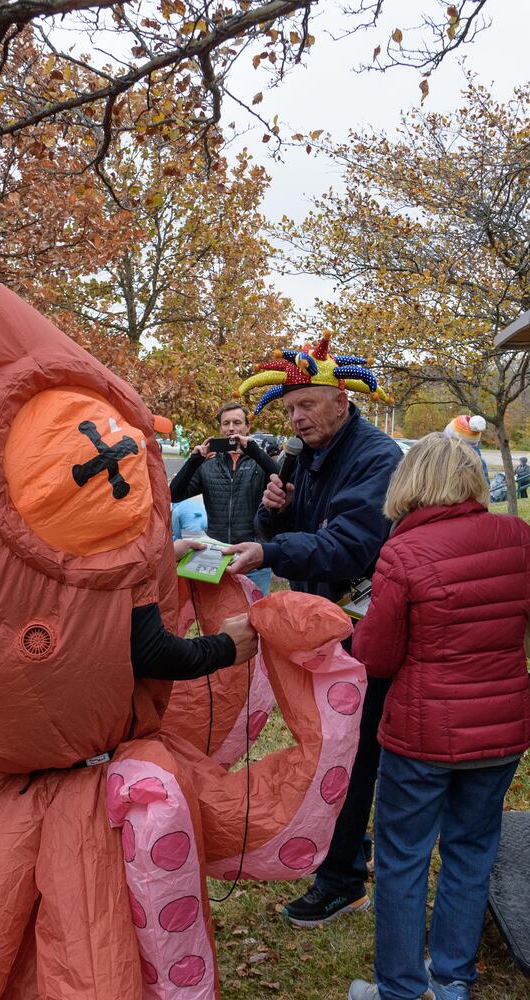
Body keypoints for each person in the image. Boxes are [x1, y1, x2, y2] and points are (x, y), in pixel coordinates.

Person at [346, 435, 530, 1000]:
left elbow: (376, 657)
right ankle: (453, 976)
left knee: (404, 858)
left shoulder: (402, 554)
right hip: (500, 727)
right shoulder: (517, 536)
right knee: (472, 849)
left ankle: (401, 990)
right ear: (473, 479)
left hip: (421, 731)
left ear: (408, 483)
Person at [224, 337, 402, 929]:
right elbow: (297, 538)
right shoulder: (302, 456)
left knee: (349, 749)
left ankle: (343, 879)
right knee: (336, 743)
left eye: (307, 405)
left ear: (342, 402)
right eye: (290, 408)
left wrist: (272, 544)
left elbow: (349, 544)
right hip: (324, 623)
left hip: (371, 626)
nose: (297, 419)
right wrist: (273, 513)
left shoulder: (377, 459)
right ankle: (350, 853)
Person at [168, 402, 280, 593]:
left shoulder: (259, 462)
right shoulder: (208, 465)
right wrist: (194, 461)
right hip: (215, 555)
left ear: (247, 427)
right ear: (220, 427)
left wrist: (253, 450)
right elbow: (174, 494)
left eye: (237, 422)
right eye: (226, 423)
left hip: (252, 555)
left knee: (255, 616)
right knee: (218, 618)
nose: (231, 428)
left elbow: (282, 482)